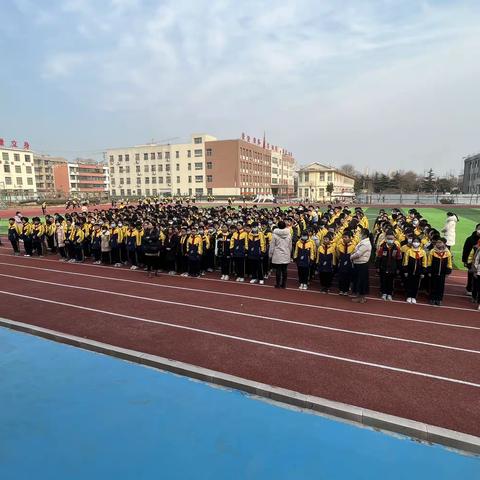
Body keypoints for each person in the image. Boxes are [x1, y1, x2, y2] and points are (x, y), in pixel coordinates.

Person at [375, 230, 402, 301]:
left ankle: (389, 294)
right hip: (383, 267)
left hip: (392, 268)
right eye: (389, 239)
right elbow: (379, 257)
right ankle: (384, 293)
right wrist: (377, 267)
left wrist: (399, 268)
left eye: (391, 239)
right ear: (386, 239)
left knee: (390, 281)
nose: (390, 240)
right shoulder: (382, 247)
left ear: (394, 239)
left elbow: (398, 259)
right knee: (383, 281)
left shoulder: (396, 248)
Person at [427, 237, 452, 306]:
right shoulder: (432, 251)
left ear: (444, 244)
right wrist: (429, 271)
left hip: (442, 273)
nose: (438, 244)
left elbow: (449, 263)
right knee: (433, 285)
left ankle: (439, 299)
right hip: (434, 272)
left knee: (440, 286)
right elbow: (429, 262)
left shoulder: (447, 252)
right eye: (437, 242)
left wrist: (448, 271)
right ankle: (432, 298)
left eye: (440, 242)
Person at [350, 228, 372, 303]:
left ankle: (361, 297)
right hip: (359, 264)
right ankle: (359, 296)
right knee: (359, 280)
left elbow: (358, 254)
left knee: (361, 281)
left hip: (362, 264)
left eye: (361, 233)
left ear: (364, 235)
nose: (359, 234)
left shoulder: (365, 243)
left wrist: (351, 256)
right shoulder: (363, 242)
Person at [402, 236, 427, 304]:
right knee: (409, 284)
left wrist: (423, 272)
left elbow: (424, 263)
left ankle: (413, 297)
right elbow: (405, 261)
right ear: (412, 243)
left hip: (418, 272)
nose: (416, 243)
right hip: (410, 271)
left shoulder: (423, 252)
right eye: (414, 241)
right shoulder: (409, 251)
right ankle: (408, 296)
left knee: (416, 285)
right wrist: (405, 271)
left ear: (420, 243)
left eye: (417, 242)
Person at [269, 221, 292, 289]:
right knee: (284, 270)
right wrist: (289, 253)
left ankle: (278, 284)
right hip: (286, 253)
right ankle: (284, 284)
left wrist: (270, 254)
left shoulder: (275, 234)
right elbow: (290, 246)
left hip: (277, 253)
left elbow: (272, 246)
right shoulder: (289, 234)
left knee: (278, 270)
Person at [462, 224, 480, 298]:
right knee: (471, 275)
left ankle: (476, 292)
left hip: (478, 262)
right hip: (470, 260)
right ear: (476, 229)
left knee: (477, 278)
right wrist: (464, 261)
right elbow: (465, 250)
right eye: (479, 228)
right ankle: (469, 289)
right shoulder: (470, 239)